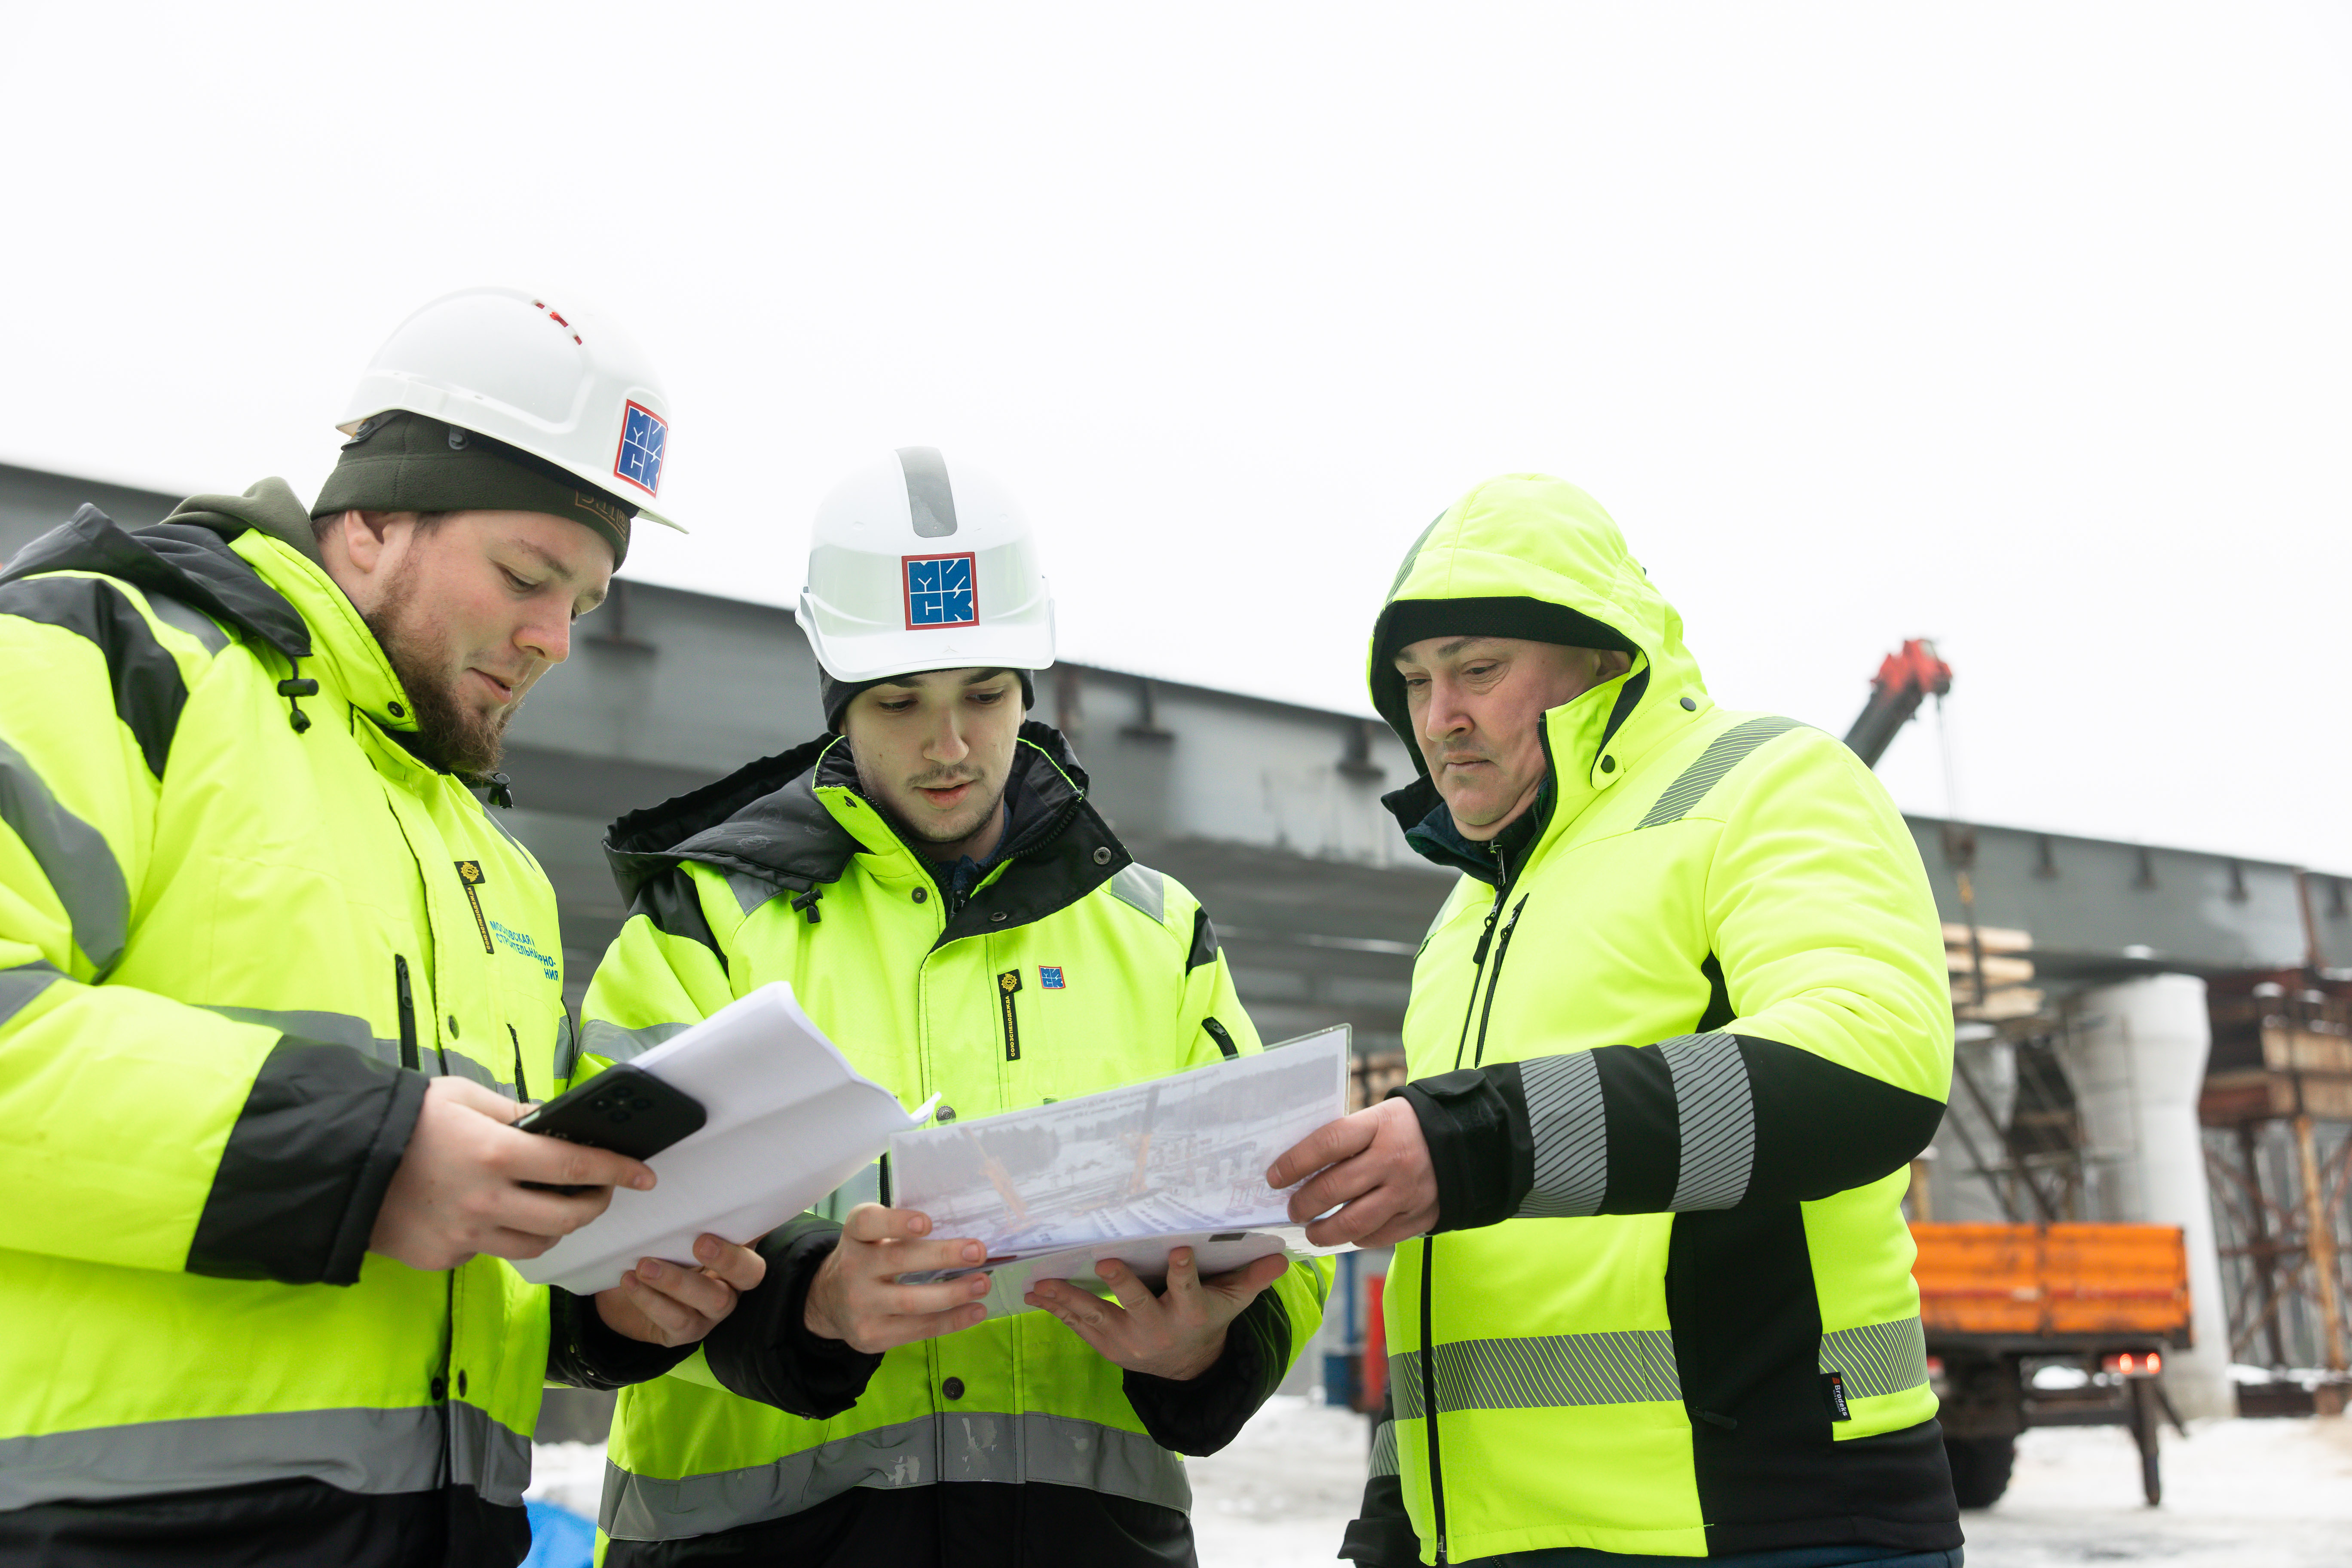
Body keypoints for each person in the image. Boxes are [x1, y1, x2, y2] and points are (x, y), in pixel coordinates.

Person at [0, 288, 761, 1568]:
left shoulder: (494, 870)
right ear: (373, 521)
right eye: (528, 576)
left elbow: (459, 1253)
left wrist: (603, 1295)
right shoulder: (111, 658)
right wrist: (370, 1156)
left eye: (584, 601)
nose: (553, 640)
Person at [567, 447, 1331, 1566]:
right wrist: (812, 1300)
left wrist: (1209, 1346)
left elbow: (1282, 1220)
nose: (950, 745)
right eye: (900, 702)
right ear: (838, 697)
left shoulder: (1158, 935)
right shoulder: (701, 930)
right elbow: (603, 1232)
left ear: (1031, 687)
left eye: (985, 695)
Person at [1268, 474, 1963, 1567]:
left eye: (1479, 671)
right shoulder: (1465, 917)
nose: (1440, 717)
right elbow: (1461, 1268)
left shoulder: (1773, 784)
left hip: (1766, 1523)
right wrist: (1397, 1521)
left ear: (1601, 653)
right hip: (1493, 1542)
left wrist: (1479, 1139)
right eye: (1414, 682)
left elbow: (1872, 1068)